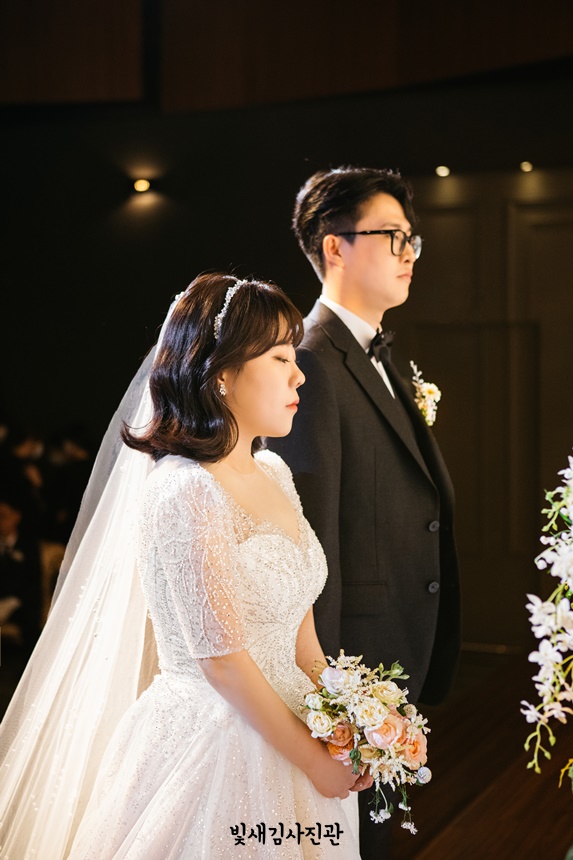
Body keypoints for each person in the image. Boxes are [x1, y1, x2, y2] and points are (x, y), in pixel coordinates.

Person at [0, 273, 371, 859]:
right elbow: (221, 662)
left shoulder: (274, 473)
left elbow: (302, 638)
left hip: (299, 729)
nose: (299, 375)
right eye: (280, 357)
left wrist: (351, 716)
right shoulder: (184, 489)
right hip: (219, 744)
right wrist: (314, 761)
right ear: (222, 373)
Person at [269, 167, 461, 858]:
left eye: (413, 240)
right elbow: (309, 535)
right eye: (393, 237)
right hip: (354, 658)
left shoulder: (376, 351)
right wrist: (327, 697)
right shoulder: (311, 360)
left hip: (395, 649)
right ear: (335, 247)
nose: (410, 253)